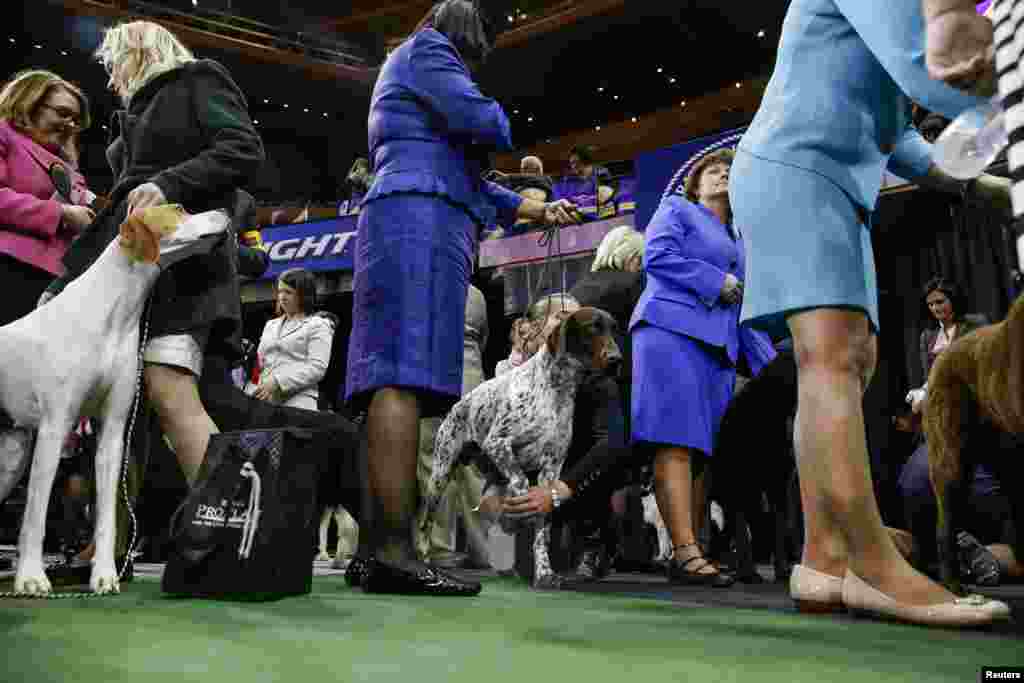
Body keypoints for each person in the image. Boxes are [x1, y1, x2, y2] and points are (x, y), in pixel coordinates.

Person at [729, 0, 1011, 625]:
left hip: (825, 180)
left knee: (841, 364)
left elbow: (899, 133)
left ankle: (825, 558)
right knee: (831, 359)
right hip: (799, 171)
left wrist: (974, 180)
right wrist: (1005, 100)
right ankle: (872, 566)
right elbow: (929, 67)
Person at [344, 0, 578, 596]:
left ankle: (377, 551)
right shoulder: (429, 51)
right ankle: (395, 553)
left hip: (413, 214)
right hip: (420, 220)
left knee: (394, 383)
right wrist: (490, 109)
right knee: (399, 378)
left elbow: (468, 176)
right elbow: (489, 126)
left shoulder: (415, 70)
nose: (477, 60)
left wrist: (531, 206)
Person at [38, 21, 264, 577]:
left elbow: (242, 149)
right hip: (133, 262)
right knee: (120, 406)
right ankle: (108, 545)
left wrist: (170, 183)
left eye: (115, 60)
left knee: (168, 387)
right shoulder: (135, 113)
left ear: (138, 51)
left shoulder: (197, 80)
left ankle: (234, 541)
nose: (111, 74)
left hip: (183, 263)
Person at [628, 149, 776, 587]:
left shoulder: (741, 235)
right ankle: (685, 552)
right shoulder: (676, 209)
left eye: (730, 170)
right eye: (713, 169)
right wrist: (716, 282)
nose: (722, 174)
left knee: (701, 451)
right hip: (668, 332)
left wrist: (773, 366)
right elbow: (657, 256)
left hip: (718, 349)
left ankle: (694, 551)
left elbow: (748, 301)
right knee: (674, 440)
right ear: (695, 183)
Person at [0, 70, 95, 326]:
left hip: (54, 283)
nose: (71, 125)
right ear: (28, 103)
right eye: (63, 113)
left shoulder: (69, 166)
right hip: (8, 266)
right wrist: (61, 214)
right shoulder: (4, 135)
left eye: (76, 120)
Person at [254, 268, 334, 411]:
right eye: (280, 291)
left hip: (299, 402)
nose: (282, 297)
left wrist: (278, 382)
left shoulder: (318, 324)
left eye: (288, 292)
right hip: (264, 403)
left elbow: (317, 368)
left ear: (304, 295)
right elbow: (260, 362)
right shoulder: (270, 325)